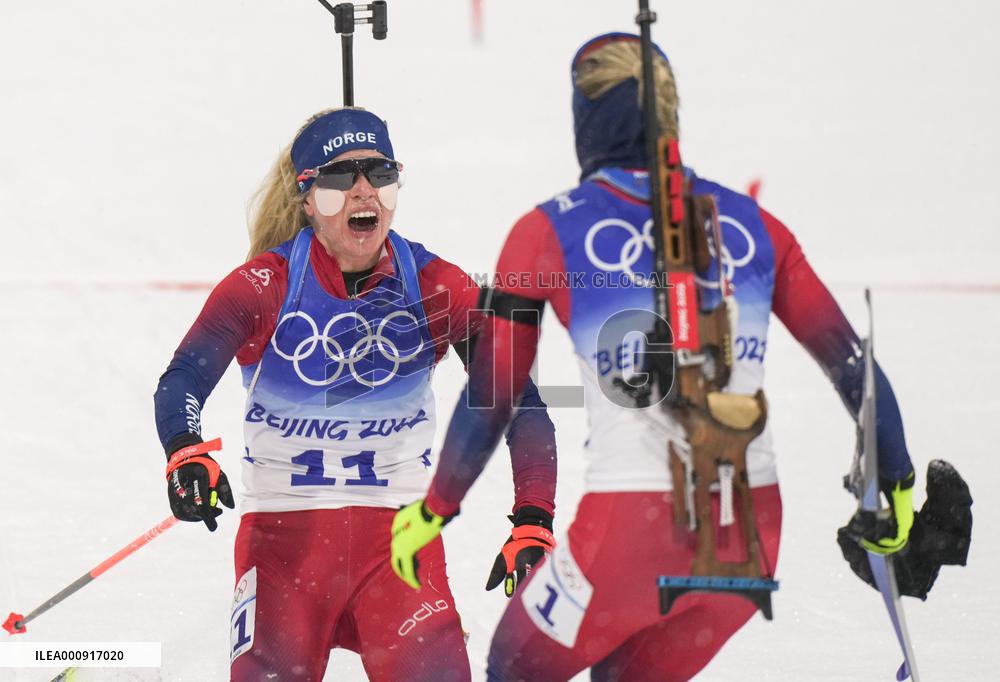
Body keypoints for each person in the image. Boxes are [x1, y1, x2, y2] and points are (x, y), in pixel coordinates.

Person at [389, 33, 940, 681]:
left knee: (514, 666)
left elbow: (493, 395)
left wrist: (435, 509)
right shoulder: (754, 223)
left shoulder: (546, 230)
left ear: (585, 119)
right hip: (747, 538)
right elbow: (855, 369)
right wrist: (898, 487)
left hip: (630, 531)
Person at [152, 107, 557, 681]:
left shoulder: (436, 285)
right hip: (284, 551)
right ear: (307, 196)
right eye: (342, 177)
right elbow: (183, 379)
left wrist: (533, 521)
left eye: (380, 173)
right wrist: (185, 450)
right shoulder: (265, 285)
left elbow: (522, 406)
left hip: (399, 553)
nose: (365, 190)